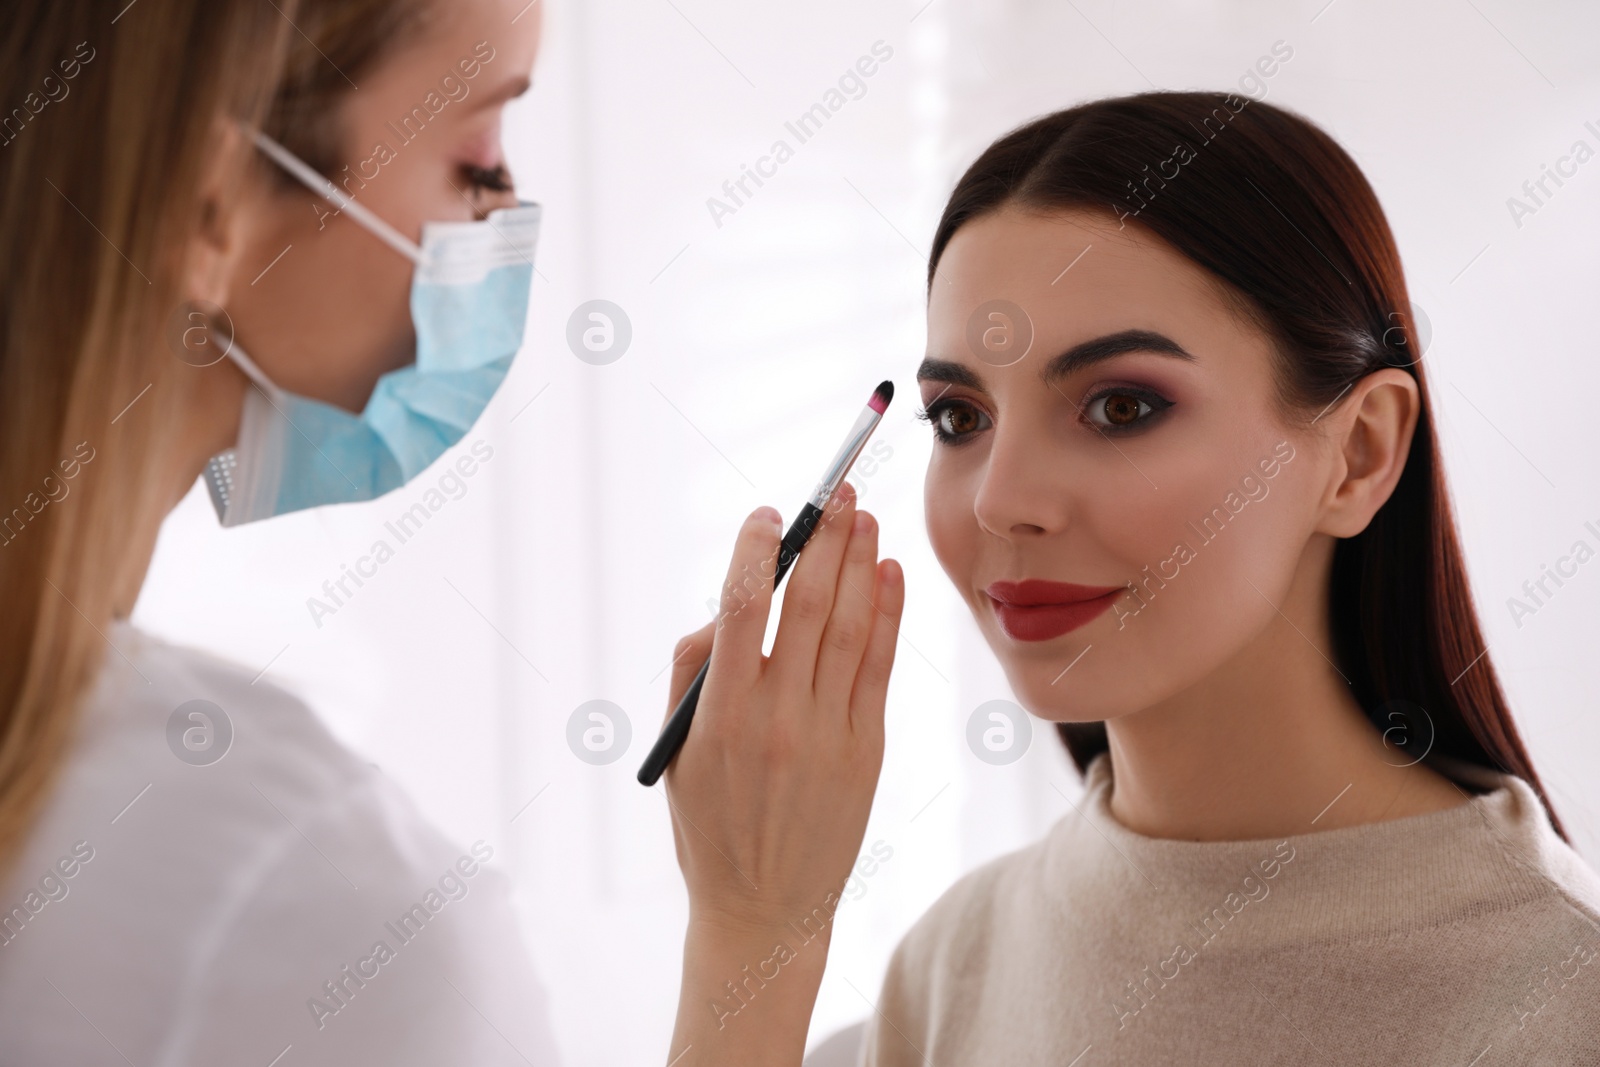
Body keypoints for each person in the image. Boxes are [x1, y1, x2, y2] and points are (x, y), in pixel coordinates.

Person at [0, 1, 904, 1063]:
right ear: (210, 208)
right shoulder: (309, 899)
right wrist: (761, 924)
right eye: (474, 158)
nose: (506, 220)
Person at [662, 93, 1600, 1064]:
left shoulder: (1559, 1005)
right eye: (959, 418)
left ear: (1357, 454)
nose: (1000, 500)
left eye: (1119, 406)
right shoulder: (949, 966)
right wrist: (752, 930)